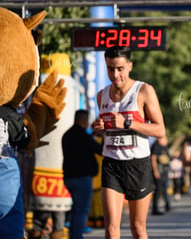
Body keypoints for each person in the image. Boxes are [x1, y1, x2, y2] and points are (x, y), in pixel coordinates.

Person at [92, 46, 165, 239]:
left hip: (137, 164)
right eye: (110, 69)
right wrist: (99, 127)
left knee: (137, 228)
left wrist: (128, 122)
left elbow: (160, 129)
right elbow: (105, 130)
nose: (115, 74)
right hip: (111, 163)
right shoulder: (102, 95)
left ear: (130, 66)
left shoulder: (144, 90)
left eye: (120, 69)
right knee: (111, 229)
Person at [62, 110, 103, 238]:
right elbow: (100, 150)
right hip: (82, 178)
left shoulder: (67, 135)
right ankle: (76, 236)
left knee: (75, 209)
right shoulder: (84, 137)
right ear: (84, 121)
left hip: (68, 178)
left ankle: (74, 235)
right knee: (81, 211)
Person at [150, 135, 171, 215]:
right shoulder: (156, 146)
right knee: (158, 190)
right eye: (165, 138)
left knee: (165, 189)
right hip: (159, 171)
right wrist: (155, 171)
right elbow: (153, 159)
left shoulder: (164, 147)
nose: (166, 140)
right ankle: (155, 208)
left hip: (165, 171)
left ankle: (167, 205)